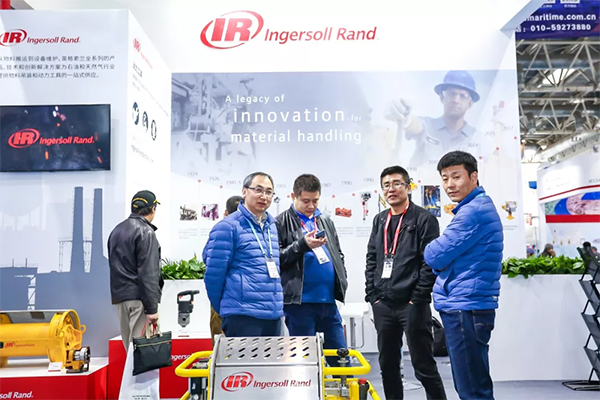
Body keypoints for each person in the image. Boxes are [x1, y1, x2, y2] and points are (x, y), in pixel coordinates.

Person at [424, 151, 503, 400]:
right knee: (472, 383)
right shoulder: (474, 208)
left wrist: (440, 264)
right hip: (466, 304)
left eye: (456, 176)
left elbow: (434, 255)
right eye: (445, 178)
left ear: (474, 176)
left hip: (465, 307)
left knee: (472, 389)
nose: (450, 184)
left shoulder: (473, 212)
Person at [365, 166, 447, 400]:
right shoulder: (380, 220)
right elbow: (372, 258)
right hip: (383, 304)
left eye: (396, 183)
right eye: (386, 185)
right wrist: (373, 295)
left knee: (424, 366)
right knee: (388, 366)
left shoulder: (424, 219)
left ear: (408, 187)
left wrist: (417, 298)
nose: (391, 189)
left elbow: (429, 263)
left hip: (412, 304)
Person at [276, 174, 348, 366]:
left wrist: (342, 278)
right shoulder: (280, 222)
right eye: (306, 201)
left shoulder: (325, 221)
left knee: (341, 360)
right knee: (304, 363)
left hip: (328, 302)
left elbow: (338, 254)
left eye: (315, 201)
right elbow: (277, 259)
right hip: (299, 304)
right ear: (294, 196)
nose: (311, 206)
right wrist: (302, 245)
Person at [203, 172, 283, 337]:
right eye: (258, 190)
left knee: (273, 356)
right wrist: (225, 308)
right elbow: (214, 275)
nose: (264, 196)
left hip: (272, 314)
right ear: (244, 191)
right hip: (242, 315)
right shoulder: (228, 227)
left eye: (269, 192)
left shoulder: (272, 226)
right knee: (244, 357)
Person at [385, 70, 479, 166]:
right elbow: (414, 124)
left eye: (463, 96)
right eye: (452, 94)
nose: (456, 100)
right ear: (442, 97)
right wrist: (403, 114)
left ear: (470, 104)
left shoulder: (477, 138)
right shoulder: (427, 125)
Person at [108, 190, 163, 350]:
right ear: (153, 209)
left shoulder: (116, 231)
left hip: (120, 299)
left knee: (131, 351)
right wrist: (151, 308)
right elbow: (148, 272)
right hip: (140, 300)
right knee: (143, 353)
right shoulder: (146, 232)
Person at [209, 195, 243, 345]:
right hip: (240, 299)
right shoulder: (250, 231)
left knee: (219, 341)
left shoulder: (219, 229)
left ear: (225, 212)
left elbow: (209, 259)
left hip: (223, 294)